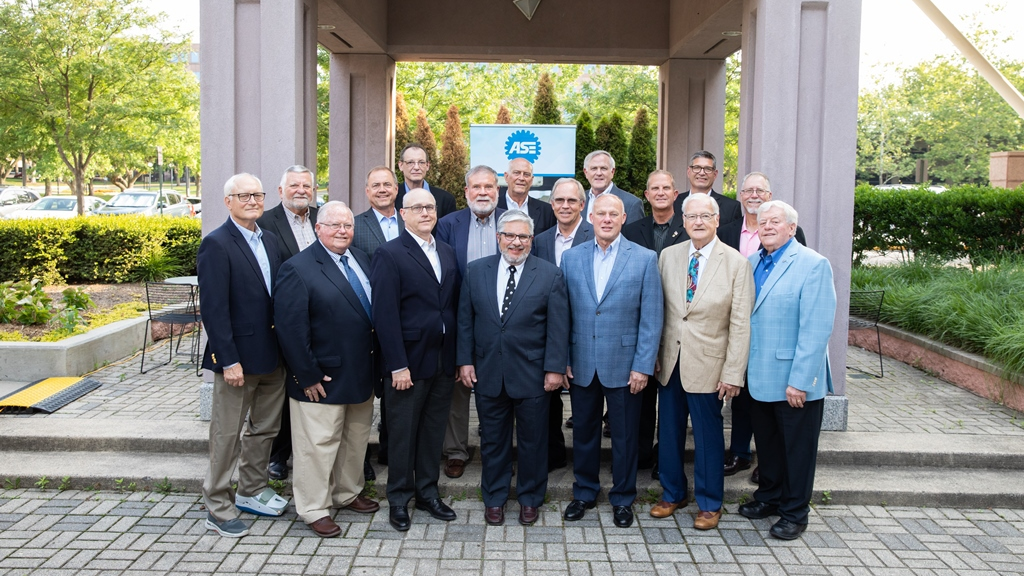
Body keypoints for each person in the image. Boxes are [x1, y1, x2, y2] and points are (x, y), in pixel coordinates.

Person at [273, 201, 380, 538]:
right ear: (318, 228)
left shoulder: (361, 259)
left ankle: (346, 492)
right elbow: (290, 329)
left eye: (347, 225)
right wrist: (307, 375)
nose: (342, 231)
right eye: (334, 225)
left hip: (361, 373)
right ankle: (314, 508)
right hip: (322, 378)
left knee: (355, 440)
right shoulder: (298, 268)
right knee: (317, 447)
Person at [456, 210, 570, 526]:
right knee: (493, 441)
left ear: (531, 240)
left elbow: (558, 327)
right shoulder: (476, 271)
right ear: (498, 237)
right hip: (488, 372)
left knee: (533, 442)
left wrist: (555, 368)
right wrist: (464, 360)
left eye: (523, 236)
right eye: (509, 235)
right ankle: (494, 498)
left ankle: (530, 498)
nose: (516, 242)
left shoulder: (549, 274)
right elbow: (465, 320)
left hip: (533, 375)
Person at [650, 194, 753, 530]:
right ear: (683, 220)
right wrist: (653, 356)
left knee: (708, 438)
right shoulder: (668, 256)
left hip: (710, 365)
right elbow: (658, 311)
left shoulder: (736, 263)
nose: (698, 222)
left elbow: (740, 324)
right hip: (670, 362)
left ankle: (709, 503)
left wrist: (733, 373)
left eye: (705, 216)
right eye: (691, 216)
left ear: (717, 220)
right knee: (668, 432)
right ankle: (672, 493)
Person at [560, 194, 663, 528]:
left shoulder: (645, 258)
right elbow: (563, 315)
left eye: (613, 214)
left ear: (623, 218)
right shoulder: (571, 258)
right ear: (590, 217)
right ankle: (584, 493)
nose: (606, 219)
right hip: (582, 363)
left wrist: (643, 365)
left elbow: (651, 318)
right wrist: (563, 359)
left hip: (625, 364)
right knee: (584, 434)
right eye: (600, 213)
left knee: (625, 437)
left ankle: (622, 498)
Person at [738, 200, 837, 541]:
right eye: (762, 221)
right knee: (767, 446)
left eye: (775, 222)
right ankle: (769, 496)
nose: (767, 226)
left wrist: (801, 381)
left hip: (794, 380)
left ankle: (794, 513)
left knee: (797, 451)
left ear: (792, 228)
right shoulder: (752, 262)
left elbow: (816, 329)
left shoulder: (813, 264)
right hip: (759, 375)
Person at [198, 173, 289, 538]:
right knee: (226, 433)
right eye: (244, 195)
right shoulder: (216, 244)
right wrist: (228, 359)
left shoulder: (269, 239)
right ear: (228, 202)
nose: (252, 201)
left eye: (257, 195)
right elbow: (214, 309)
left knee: (265, 429)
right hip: (237, 360)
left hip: (272, 356)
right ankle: (217, 504)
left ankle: (251, 489)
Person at [370, 188, 460, 532]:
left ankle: (427, 493)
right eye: (417, 207)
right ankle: (398, 499)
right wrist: (397, 365)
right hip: (407, 362)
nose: (425, 212)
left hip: (442, 360)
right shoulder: (389, 253)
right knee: (403, 434)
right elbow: (385, 314)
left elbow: (449, 306)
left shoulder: (446, 251)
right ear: (403, 213)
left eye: (430, 207)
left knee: (433, 432)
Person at [717, 171, 806, 484]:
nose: (754, 195)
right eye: (748, 190)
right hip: (737, 328)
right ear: (741, 196)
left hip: (773, 335)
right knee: (742, 397)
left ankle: (767, 461)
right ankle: (740, 452)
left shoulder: (794, 235)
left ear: (769, 195)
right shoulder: (726, 231)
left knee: (769, 403)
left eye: (760, 190)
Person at [435, 165, 506, 479]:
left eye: (489, 186)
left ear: (497, 191)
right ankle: (455, 451)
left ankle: (498, 448)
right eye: (476, 187)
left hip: (501, 319)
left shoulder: (510, 221)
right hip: (458, 316)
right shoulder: (448, 224)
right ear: (466, 192)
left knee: (500, 384)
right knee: (459, 384)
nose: (483, 192)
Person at [622, 169, 689, 477]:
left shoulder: (689, 227)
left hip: (678, 325)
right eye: (654, 189)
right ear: (646, 195)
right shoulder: (631, 230)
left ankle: (666, 459)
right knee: (642, 395)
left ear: (675, 195)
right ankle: (641, 455)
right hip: (641, 324)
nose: (660, 193)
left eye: (666, 188)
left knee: (673, 401)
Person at [255, 165, 319, 482]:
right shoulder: (265, 223)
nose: (301, 191)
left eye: (306, 185)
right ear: (281, 191)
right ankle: (279, 455)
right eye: (294, 185)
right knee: (282, 391)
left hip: (323, 319)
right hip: (285, 318)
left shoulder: (323, 218)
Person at [531, 177, 593, 471]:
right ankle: (553, 457)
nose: (565, 206)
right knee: (548, 402)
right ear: (551, 204)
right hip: (546, 335)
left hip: (585, 335)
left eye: (571, 200)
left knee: (585, 405)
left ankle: (584, 466)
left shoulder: (595, 235)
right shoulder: (540, 240)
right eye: (559, 200)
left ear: (582, 204)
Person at [351, 166, 404, 473]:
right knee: (363, 392)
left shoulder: (411, 220)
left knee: (395, 390)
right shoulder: (355, 226)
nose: (382, 189)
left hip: (403, 324)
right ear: (367, 191)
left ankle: (389, 451)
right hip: (366, 322)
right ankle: (359, 460)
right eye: (376, 185)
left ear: (396, 189)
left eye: (387, 184)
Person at [671, 151, 742, 226]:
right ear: (688, 172)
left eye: (708, 169)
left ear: (715, 174)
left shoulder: (731, 208)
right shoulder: (674, 202)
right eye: (697, 168)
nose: (702, 173)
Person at [395, 143, 457, 219]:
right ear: (401, 165)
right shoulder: (393, 198)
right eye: (410, 162)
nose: (416, 167)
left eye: (421, 162)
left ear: (427, 166)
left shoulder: (445, 200)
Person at [581, 150, 645, 224]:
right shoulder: (579, 200)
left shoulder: (632, 204)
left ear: (612, 172)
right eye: (594, 168)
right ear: (586, 172)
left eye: (603, 168)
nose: (598, 173)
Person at [497, 157, 556, 233]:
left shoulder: (547, 211)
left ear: (531, 180)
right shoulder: (493, 208)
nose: (521, 178)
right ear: (506, 177)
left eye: (526, 174)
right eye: (516, 173)